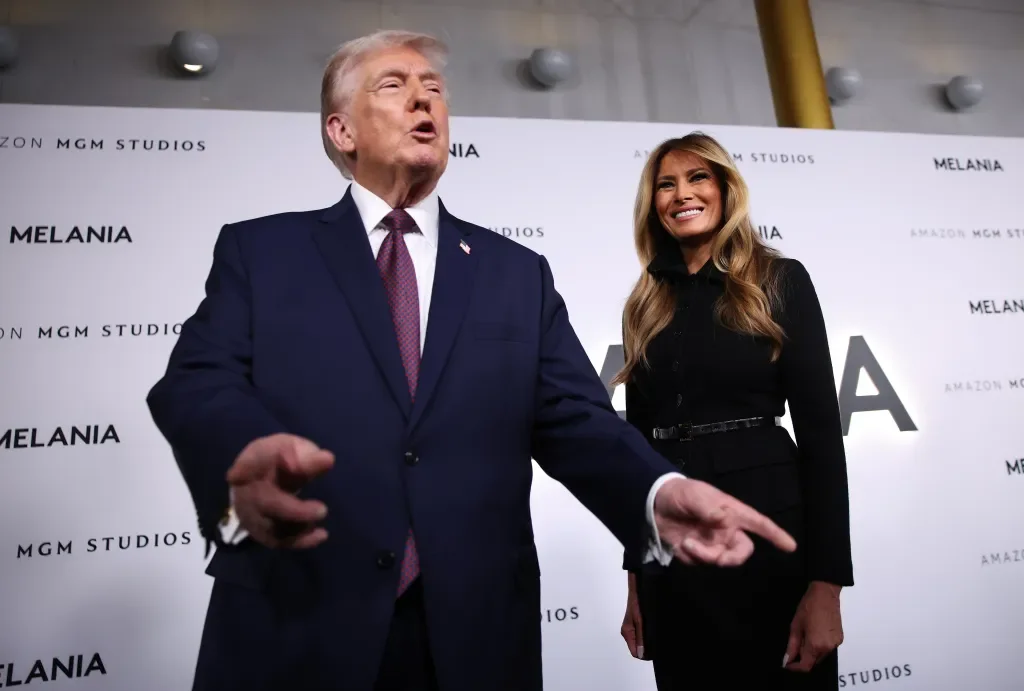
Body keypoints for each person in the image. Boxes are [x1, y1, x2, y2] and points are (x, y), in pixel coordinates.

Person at [147, 32, 797, 691]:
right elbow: (196, 382)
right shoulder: (262, 253)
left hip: (473, 633)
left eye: (434, 88)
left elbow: (576, 419)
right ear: (341, 131)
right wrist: (240, 455)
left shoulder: (516, 274)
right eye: (394, 86)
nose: (423, 100)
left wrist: (655, 491)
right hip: (298, 618)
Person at [615, 132, 854, 689]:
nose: (682, 194)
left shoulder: (779, 281)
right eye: (666, 185)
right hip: (674, 553)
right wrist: (636, 580)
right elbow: (635, 457)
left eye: (697, 177)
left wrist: (827, 586)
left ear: (725, 190)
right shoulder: (644, 304)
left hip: (770, 538)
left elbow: (822, 438)